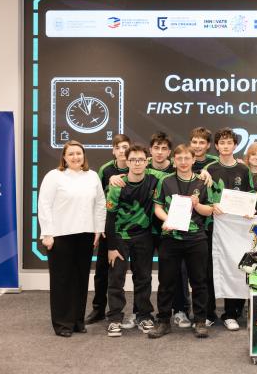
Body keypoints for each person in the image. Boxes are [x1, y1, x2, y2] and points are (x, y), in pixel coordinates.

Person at [38, 140, 106, 337]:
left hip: (86, 235)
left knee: (80, 279)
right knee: (62, 280)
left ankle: (77, 321)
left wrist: (98, 229)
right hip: (60, 235)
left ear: (84, 155)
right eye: (71, 154)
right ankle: (62, 324)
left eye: (79, 153)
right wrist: (47, 233)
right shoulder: (54, 176)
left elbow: (100, 204)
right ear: (64, 157)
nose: (76, 157)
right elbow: (44, 205)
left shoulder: (92, 176)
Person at [148, 144, 214, 339]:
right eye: (179, 159)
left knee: (199, 282)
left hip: (196, 238)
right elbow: (157, 207)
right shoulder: (165, 181)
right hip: (171, 238)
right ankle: (163, 321)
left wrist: (197, 205)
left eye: (187, 158)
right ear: (174, 161)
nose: (183, 162)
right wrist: (167, 219)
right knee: (166, 282)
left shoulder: (202, 181)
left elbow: (209, 210)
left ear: (193, 160)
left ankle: (200, 321)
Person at [105, 145, 164, 337]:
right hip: (120, 237)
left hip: (144, 237)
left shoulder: (155, 179)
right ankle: (114, 318)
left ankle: (144, 315)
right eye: (133, 160)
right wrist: (111, 247)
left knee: (143, 278)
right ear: (127, 161)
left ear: (147, 162)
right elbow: (110, 218)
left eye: (141, 160)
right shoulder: (117, 185)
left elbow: (179, 172)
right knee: (116, 279)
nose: (137, 163)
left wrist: (204, 173)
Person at [206, 127, 255, 331]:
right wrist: (211, 205)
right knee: (210, 269)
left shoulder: (243, 170)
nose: (225, 146)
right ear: (216, 146)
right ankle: (208, 313)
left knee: (237, 267)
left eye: (229, 143)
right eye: (222, 143)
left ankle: (231, 314)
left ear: (235, 145)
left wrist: (249, 208)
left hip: (237, 228)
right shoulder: (208, 169)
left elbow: (251, 194)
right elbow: (201, 195)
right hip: (213, 226)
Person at [86, 134, 131, 325]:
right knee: (102, 271)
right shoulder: (105, 170)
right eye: (118, 147)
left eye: (125, 147)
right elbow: (98, 199)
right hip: (109, 227)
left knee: (125, 273)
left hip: (132, 228)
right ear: (113, 150)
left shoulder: (138, 166)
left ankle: (139, 312)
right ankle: (98, 309)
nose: (122, 151)